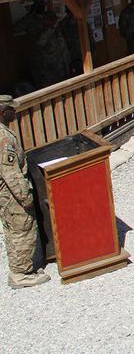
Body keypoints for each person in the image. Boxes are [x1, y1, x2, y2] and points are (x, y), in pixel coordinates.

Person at [0, 95, 50, 289]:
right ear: (4, 112)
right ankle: (20, 274)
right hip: (11, 195)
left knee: (13, 230)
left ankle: (20, 268)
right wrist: (25, 196)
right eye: (12, 110)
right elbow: (9, 172)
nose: (15, 112)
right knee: (22, 229)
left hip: (5, 194)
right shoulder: (4, 138)